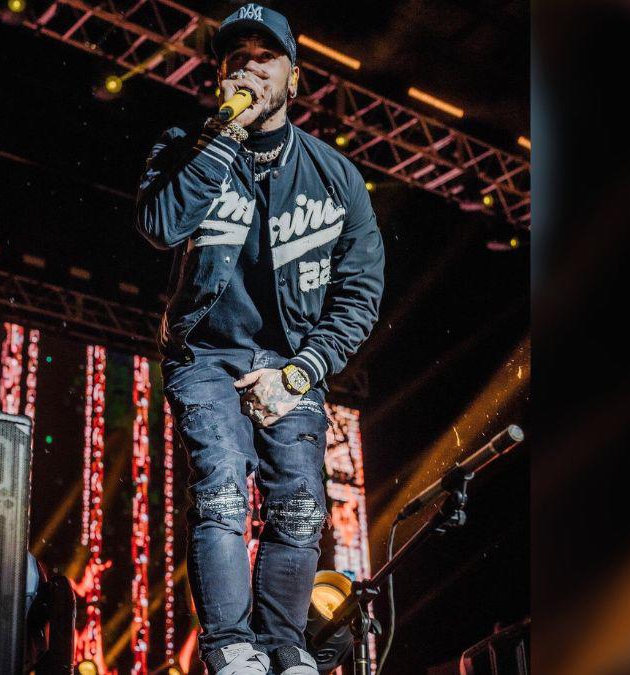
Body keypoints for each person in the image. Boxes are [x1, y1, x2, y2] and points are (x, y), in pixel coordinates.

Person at [135, 4, 385, 674]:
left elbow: (361, 292)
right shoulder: (185, 147)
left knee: (300, 506)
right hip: (205, 355)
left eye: (264, 56)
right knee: (221, 489)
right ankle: (230, 648)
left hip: (290, 362)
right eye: (235, 58)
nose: (247, 67)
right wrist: (222, 137)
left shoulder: (336, 178)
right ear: (220, 76)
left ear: (294, 78)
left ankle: (285, 646)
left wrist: (300, 373)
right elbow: (160, 224)